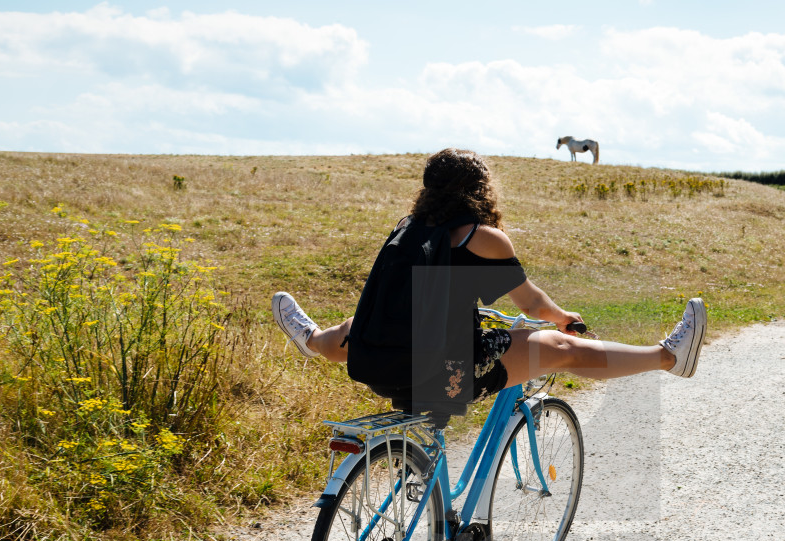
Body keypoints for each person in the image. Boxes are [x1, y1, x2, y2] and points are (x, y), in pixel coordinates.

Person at [272, 148, 706, 407]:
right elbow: (533, 307)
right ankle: (668, 357)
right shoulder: (481, 238)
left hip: (374, 366)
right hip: (440, 376)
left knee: (357, 325)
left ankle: (311, 340)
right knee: (562, 348)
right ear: (481, 190)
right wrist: (561, 317)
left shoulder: (407, 229)